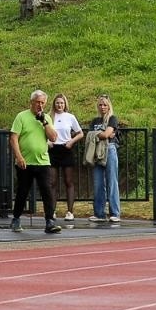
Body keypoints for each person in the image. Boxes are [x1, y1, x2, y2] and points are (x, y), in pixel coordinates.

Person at [9, 90, 61, 234]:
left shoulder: (46, 118)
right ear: (31, 102)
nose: (40, 105)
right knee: (22, 191)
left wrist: (44, 122)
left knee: (47, 190)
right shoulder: (21, 117)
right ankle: (16, 218)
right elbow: (13, 138)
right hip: (25, 161)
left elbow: (53, 138)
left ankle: (50, 221)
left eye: (43, 103)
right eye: (38, 102)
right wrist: (19, 157)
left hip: (43, 161)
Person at [47, 93, 84, 223]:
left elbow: (80, 133)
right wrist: (47, 142)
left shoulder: (70, 117)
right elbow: (42, 132)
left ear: (65, 104)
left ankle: (70, 211)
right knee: (52, 182)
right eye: (57, 103)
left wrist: (71, 141)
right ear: (54, 104)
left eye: (62, 103)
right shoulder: (49, 116)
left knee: (69, 181)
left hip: (66, 149)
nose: (59, 105)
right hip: (53, 150)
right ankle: (52, 210)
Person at [86, 95, 122, 224]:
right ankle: (99, 213)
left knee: (112, 181)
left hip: (110, 150)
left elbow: (108, 134)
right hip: (96, 151)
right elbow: (90, 135)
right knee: (98, 183)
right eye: (100, 105)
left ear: (109, 106)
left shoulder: (112, 119)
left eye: (105, 105)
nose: (102, 107)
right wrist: (101, 134)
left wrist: (99, 134)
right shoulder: (95, 121)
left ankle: (115, 213)